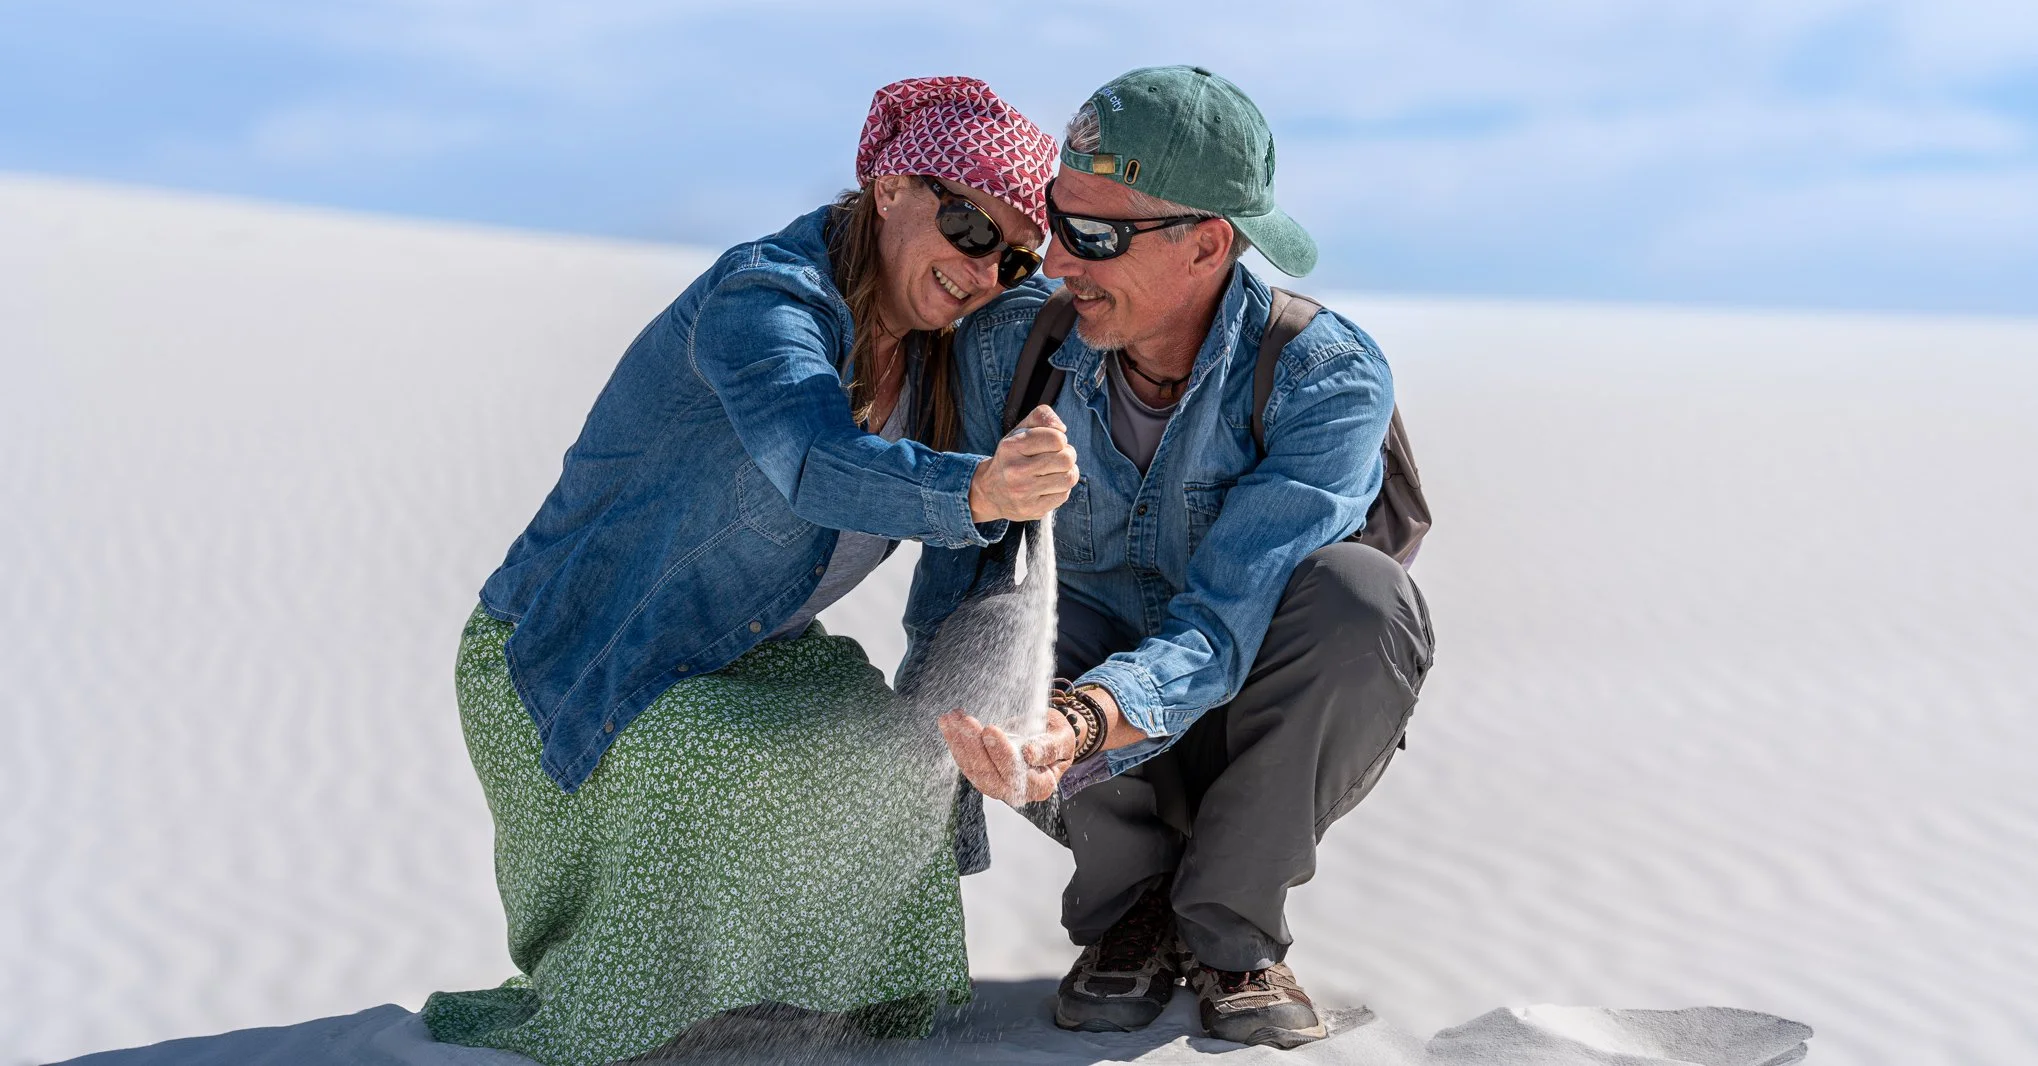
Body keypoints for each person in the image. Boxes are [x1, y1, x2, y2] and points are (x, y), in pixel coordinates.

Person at [422, 76, 1081, 1066]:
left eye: (1012, 254)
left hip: (750, 652)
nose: (984, 271)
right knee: (713, 767)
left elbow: (1090, 305)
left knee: (894, 754)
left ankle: (818, 1018)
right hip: (575, 653)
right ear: (891, 188)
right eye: (968, 227)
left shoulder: (945, 340)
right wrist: (981, 487)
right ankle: (654, 1030)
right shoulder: (764, 298)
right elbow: (812, 460)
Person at [912, 66, 1436, 1050]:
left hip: (1259, 719)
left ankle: (1232, 932)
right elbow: (960, 568)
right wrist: (949, 757)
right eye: (1056, 219)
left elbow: (1226, 624)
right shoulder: (1007, 349)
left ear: (1207, 243)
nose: (1055, 260)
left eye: (1095, 235)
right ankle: (1131, 911)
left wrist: (1081, 720)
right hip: (1080, 733)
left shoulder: (1326, 377)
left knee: (1362, 598)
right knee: (984, 629)